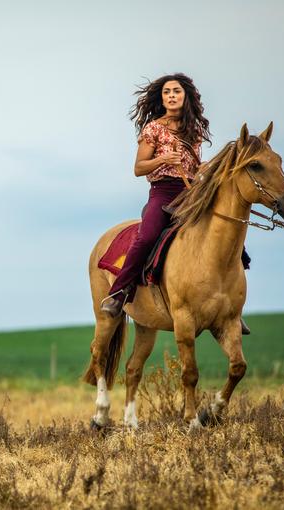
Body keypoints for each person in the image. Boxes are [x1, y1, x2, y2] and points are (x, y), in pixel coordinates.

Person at [100, 73, 251, 335]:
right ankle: (120, 293)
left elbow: (194, 165)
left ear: (185, 96)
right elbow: (138, 168)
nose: (172, 96)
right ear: (162, 98)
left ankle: (230, 308)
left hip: (191, 192)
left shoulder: (194, 128)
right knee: (147, 237)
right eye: (167, 92)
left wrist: (203, 169)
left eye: (177, 92)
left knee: (226, 231)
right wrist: (162, 160)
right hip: (163, 192)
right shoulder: (153, 129)